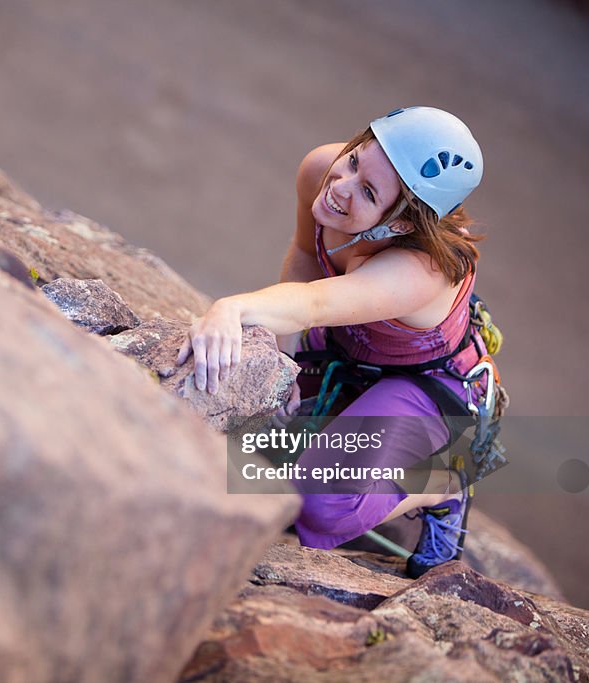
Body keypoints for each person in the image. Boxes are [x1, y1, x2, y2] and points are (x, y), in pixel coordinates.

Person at [176, 106, 497, 577]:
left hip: (426, 387)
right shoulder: (322, 168)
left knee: (321, 501)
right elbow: (308, 253)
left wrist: (233, 308)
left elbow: (315, 304)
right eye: (354, 160)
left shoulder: (420, 270)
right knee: (243, 449)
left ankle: (445, 486)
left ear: (404, 224)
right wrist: (279, 363)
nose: (340, 186)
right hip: (345, 351)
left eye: (368, 191)